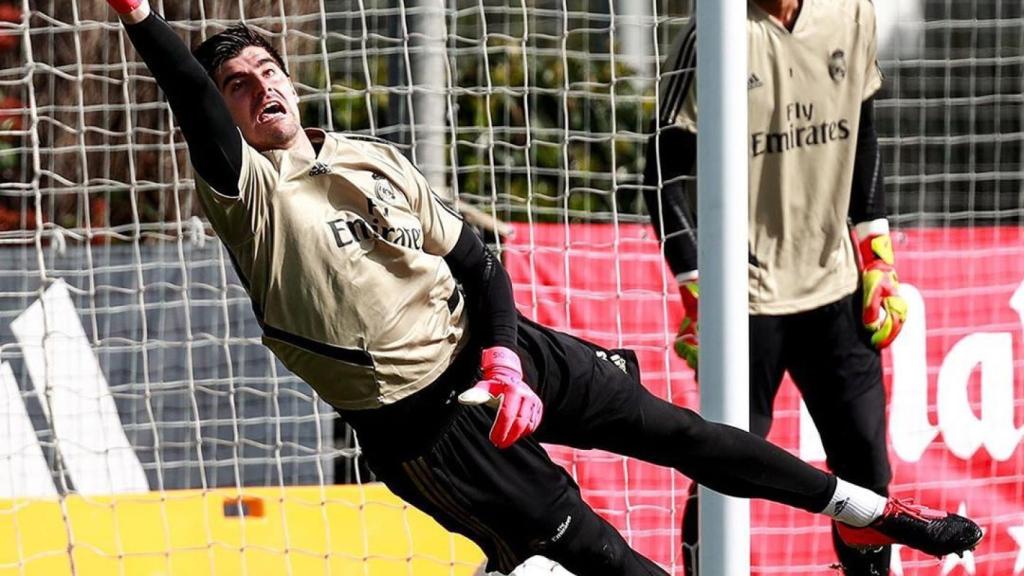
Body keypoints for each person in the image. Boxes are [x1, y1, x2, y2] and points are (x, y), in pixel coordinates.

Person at [108, 1, 980, 575]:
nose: (260, 87)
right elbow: (187, 97)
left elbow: (480, 264)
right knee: (608, 560)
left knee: (686, 434)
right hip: (428, 426)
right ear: (223, 113)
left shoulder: (372, 160)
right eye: (237, 85)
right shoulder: (246, 193)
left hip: (501, 361)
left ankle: (875, 511)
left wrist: (505, 358)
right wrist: (142, 18)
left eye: (269, 71)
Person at [642, 0, 910, 574]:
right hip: (747, 299)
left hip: (835, 284)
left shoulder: (851, 15)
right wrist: (694, 286)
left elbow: (864, 130)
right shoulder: (712, 34)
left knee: (866, 469)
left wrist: (877, 254)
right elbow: (660, 172)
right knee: (726, 463)